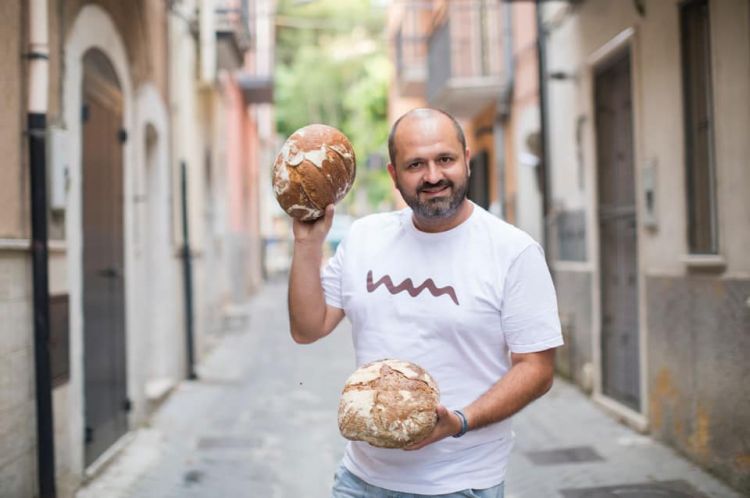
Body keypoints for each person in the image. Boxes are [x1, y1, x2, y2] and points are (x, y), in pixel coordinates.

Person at [288, 108, 563, 497]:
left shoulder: (513, 251)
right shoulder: (365, 237)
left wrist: (461, 421)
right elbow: (307, 328)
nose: (433, 176)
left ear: (466, 160)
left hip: (460, 484)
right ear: (393, 174)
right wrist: (307, 243)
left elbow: (537, 368)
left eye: (445, 159)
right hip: (361, 481)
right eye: (416, 164)